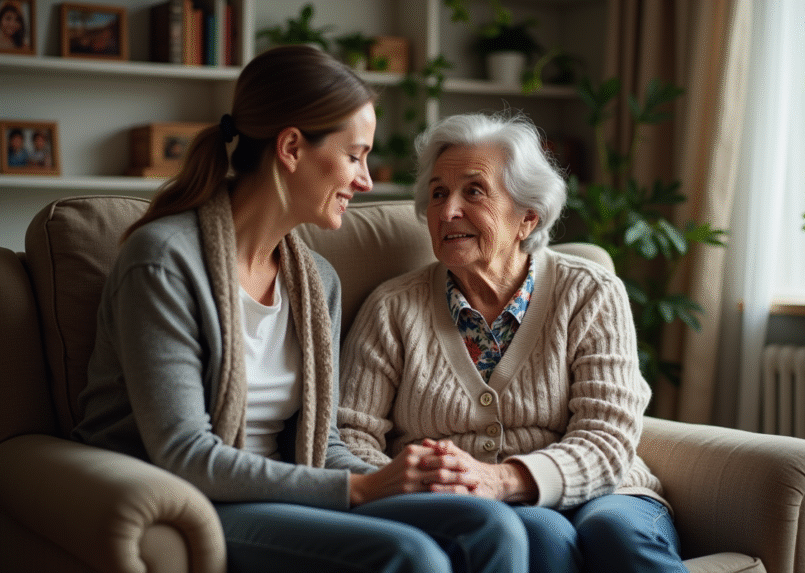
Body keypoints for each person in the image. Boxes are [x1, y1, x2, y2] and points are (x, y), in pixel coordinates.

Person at [71, 46, 528, 573]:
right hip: (193, 497)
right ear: (291, 147)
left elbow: (321, 443)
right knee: (410, 555)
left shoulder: (317, 283)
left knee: (492, 527)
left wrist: (400, 473)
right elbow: (183, 453)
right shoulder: (163, 262)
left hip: (286, 489)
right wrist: (360, 488)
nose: (366, 180)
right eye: (355, 155)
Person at [338, 112, 688, 572]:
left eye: (474, 191)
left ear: (527, 217)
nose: (447, 211)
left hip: (606, 492)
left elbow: (607, 437)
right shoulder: (392, 308)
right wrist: (422, 481)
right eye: (438, 193)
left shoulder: (590, 293)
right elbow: (349, 435)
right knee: (541, 533)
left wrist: (504, 478)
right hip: (468, 510)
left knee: (615, 532)